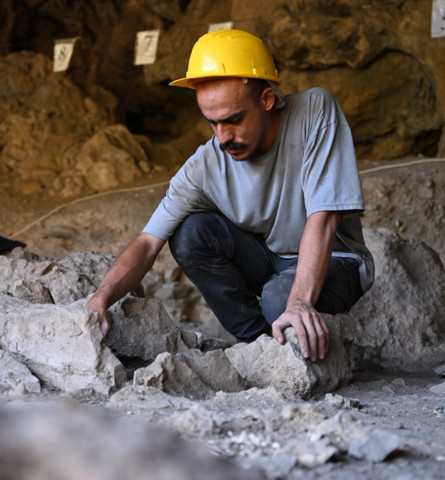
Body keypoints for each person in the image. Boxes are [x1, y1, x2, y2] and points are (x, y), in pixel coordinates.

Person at [86, 29, 373, 362]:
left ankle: (284, 328)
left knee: (280, 301)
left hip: (336, 261)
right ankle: (261, 347)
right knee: (191, 233)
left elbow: (324, 216)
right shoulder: (205, 165)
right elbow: (149, 242)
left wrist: (299, 302)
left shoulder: (314, 112)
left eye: (234, 120)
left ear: (267, 99)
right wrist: (101, 298)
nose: (223, 137)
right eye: (212, 123)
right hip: (271, 259)